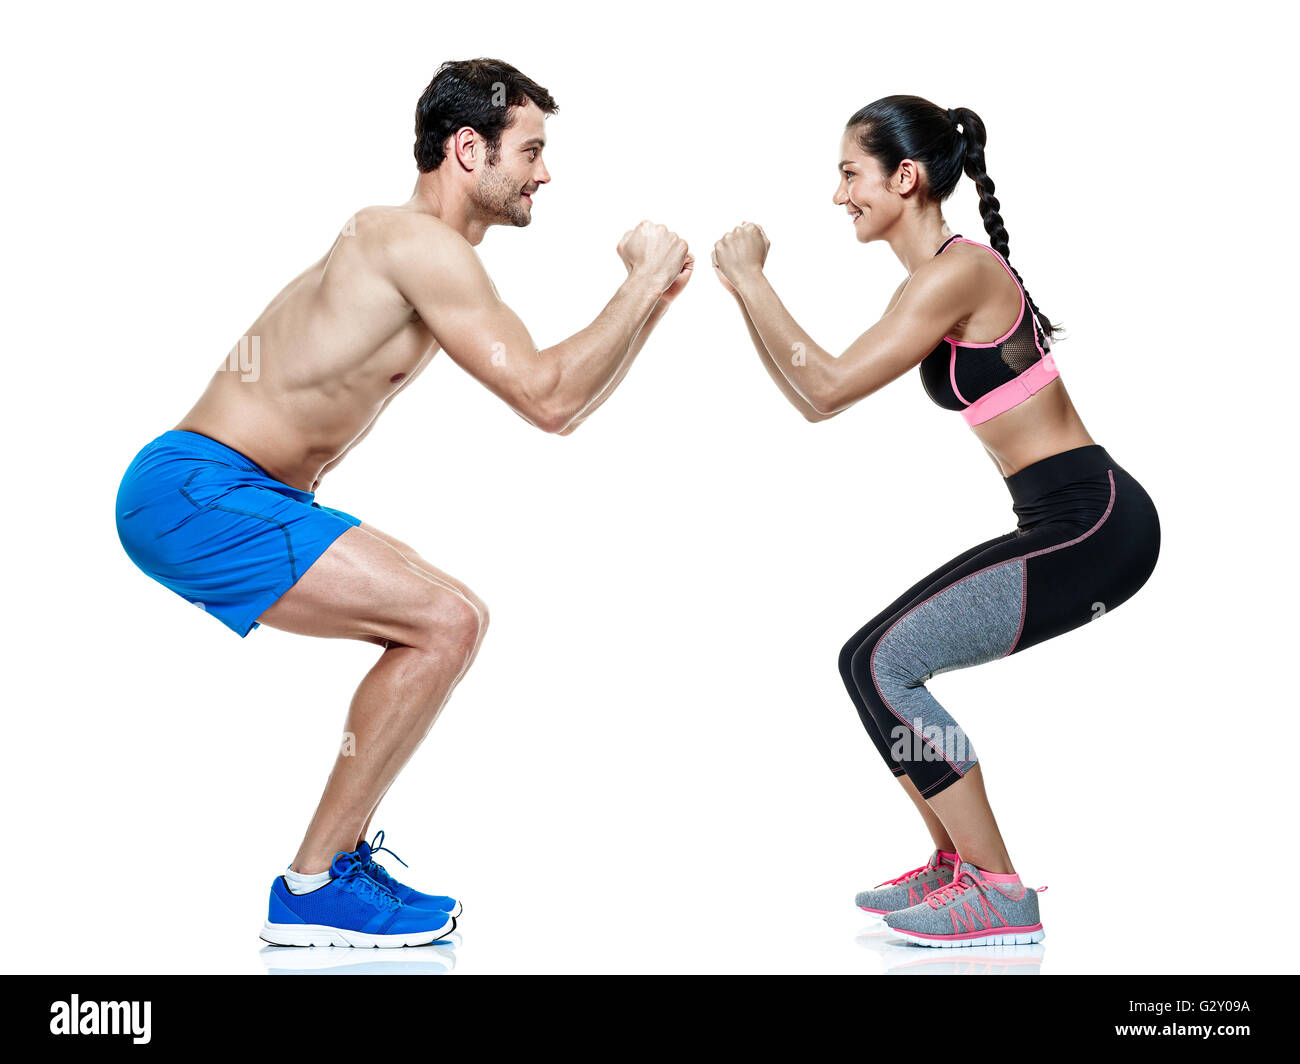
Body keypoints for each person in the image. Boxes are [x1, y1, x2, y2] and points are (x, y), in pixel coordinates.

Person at [115, 57, 692, 948]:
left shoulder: (420, 252)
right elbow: (548, 395)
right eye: (531, 150)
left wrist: (649, 300)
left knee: (450, 617)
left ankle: (320, 878)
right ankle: (312, 886)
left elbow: (562, 408)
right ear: (470, 148)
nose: (545, 172)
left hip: (223, 490)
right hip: (196, 489)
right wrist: (641, 281)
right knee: (447, 621)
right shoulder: (417, 243)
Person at [711, 95, 1159, 947]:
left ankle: (999, 892)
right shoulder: (936, 278)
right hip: (1069, 519)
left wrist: (751, 278)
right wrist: (746, 291)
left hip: (1095, 522)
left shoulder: (959, 272)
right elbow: (818, 398)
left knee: (887, 663)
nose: (839, 194)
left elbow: (829, 385)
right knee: (865, 662)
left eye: (850, 173)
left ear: (905, 178)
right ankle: (959, 863)